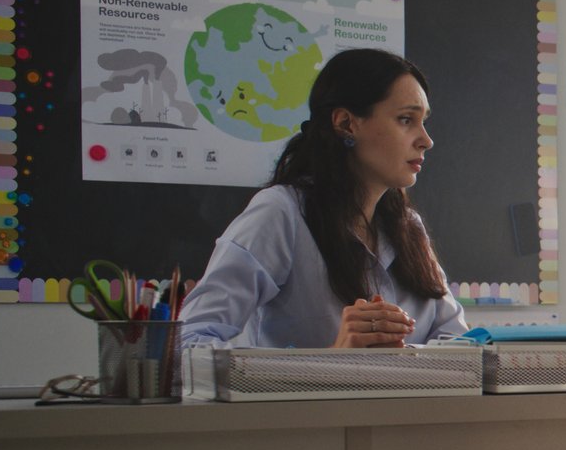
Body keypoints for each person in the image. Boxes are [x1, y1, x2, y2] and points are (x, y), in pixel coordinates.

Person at [180, 48, 468, 349]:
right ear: (346, 123)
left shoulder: (409, 227)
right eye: (406, 119)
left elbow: (461, 345)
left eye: (424, 121)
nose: (426, 140)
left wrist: (400, 358)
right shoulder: (281, 213)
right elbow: (188, 344)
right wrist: (331, 360)